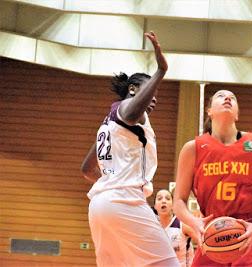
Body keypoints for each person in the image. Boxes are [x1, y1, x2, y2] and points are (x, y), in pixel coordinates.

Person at [80, 32, 179, 266]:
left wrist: (111, 182)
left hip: (99, 205)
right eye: (150, 91)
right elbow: (134, 111)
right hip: (125, 200)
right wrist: (161, 71)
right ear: (133, 89)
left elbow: (87, 169)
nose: (154, 98)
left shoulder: (110, 124)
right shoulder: (128, 110)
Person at [173, 89, 252, 266]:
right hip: (213, 233)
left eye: (233, 98)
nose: (227, 98)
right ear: (209, 111)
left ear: (237, 115)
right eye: (220, 96)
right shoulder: (193, 149)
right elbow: (179, 201)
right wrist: (194, 222)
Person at [154, 189, 196, 267]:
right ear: (155, 206)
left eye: (167, 198)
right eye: (159, 198)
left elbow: (202, 243)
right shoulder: (152, 228)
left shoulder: (182, 224)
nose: (163, 201)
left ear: (173, 205)